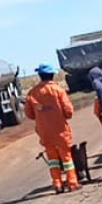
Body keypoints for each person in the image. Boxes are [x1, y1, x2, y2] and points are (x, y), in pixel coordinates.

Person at [24, 64, 80, 193]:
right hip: (60, 129)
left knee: (53, 160)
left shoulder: (32, 93)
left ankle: (57, 184)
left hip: (44, 131)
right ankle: (72, 183)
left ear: (40, 76)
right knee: (66, 158)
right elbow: (68, 111)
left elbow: (29, 114)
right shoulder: (58, 90)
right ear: (52, 75)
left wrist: (42, 116)